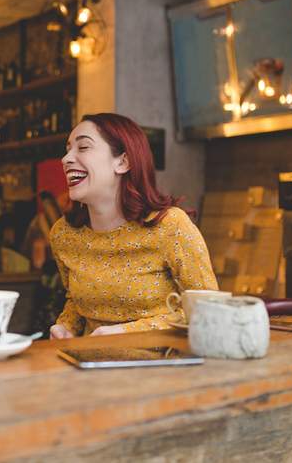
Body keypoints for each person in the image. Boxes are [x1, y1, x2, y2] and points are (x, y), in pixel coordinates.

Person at [49, 113, 218, 339]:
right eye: (68, 149)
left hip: (162, 370)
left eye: (83, 147)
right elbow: (76, 302)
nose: (66, 158)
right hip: (88, 370)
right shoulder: (64, 234)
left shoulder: (170, 226)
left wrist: (127, 332)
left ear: (123, 162)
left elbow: (210, 310)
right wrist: (66, 326)